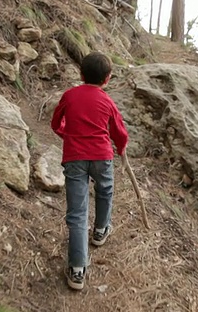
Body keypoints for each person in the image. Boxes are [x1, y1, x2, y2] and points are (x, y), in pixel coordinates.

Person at [50, 51, 129, 291]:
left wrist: (67, 134)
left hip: (74, 157)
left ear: (81, 74)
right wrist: (122, 147)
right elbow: (119, 131)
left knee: (77, 212)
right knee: (105, 191)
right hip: (102, 156)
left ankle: (77, 269)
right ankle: (101, 229)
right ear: (108, 78)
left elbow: (56, 122)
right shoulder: (107, 101)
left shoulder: (70, 95)